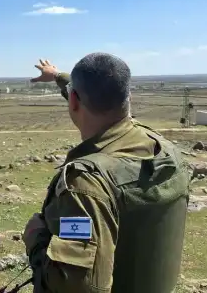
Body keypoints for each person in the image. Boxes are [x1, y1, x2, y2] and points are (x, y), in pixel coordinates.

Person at [21, 54, 191, 293]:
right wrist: (58, 76)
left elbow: (78, 286)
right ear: (128, 97)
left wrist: (36, 239)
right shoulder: (163, 150)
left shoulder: (87, 183)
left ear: (73, 101)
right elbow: (91, 94)